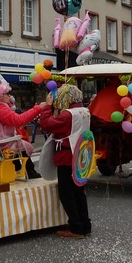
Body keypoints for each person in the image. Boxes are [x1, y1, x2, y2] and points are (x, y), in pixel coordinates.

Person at [38, 83, 91, 238]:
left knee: (66, 193)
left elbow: (47, 124)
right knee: (79, 192)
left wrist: (47, 107)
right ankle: (85, 224)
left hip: (67, 156)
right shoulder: (85, 111)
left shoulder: (69, 114)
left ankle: (76, 227)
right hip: (81, 155)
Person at [0, 76, 47, 178]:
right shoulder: (1, 108)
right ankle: (29, 171)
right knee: (23, 145)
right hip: (4, 142)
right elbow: (19, 120)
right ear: (0, 95)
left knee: (20, 144)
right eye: (7, 94)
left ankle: (19, 168)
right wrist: (38, 108)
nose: (9, 96)